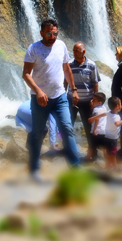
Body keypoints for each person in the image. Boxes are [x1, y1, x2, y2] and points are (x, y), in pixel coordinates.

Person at [22, 19, 83, 182]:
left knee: (67, 129)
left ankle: (76, 168)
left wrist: (74, 89)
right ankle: (34, 169)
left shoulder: (61, 45)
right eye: (49, 33)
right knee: (37, 134)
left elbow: (66, 68)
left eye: (55, 33)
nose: (52, 36)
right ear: (42, 33)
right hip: (40, 99)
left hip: (60, 97)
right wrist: (38, 91)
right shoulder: (33, 49)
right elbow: (26, 73)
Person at [68, 42, 101, 162]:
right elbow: (65, 81)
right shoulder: (69, 64)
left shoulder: (92, 65)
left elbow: (95, 83)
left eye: (77, 50)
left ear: (83, 52)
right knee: (67, 126)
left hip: (87, 102)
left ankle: (94, 153)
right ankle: (68, 151)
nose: (74, 53)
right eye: (73, 50)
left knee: (89, 129)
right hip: (71, 101)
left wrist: (95, 100)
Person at [89, 93, 122, 172]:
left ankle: (108, 168)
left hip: (107, 138)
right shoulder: (116, 116)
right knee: (112, 155)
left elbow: (102, 115)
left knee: (109, 154)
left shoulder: (109, 112)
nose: (121, 105)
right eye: (120, 104)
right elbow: (117, 123)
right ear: (117, 106)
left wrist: (93, 118)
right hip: (112, 139)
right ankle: (114, 168)